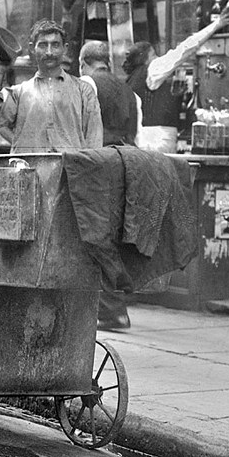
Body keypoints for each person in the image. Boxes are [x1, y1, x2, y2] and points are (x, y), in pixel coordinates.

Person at [77, 40, 139, 330]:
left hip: (96, 162)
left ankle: (112, 310)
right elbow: (134, 132)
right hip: (125, 162)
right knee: (110, 234)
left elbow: (80, 123)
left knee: (93, 235)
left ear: (83, 62)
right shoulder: (128, 90)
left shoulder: (86, 83)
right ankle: (113, 307)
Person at [0, 19, 102, 152]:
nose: (49, 52)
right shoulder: (19, 93)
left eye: (55, 45)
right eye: (43, 45)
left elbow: (94, 143)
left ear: (65, 48)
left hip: (69, 171)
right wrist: (0, 66)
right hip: (28, 171)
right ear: (32, 49)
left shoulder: (83, 91)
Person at [125, 13, 229, 153]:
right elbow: (184, 49)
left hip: (141, 138)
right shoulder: (153, 68)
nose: (158, 58)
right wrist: (215, 26)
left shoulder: (130, 79)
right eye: (154, 55)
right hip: (158, 140)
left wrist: (175, 97)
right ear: (145, 59)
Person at [78, 40, 138, 147]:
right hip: (123, 157)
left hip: (95, 155)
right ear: (108, 63)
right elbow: (137, 135)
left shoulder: (85, 84)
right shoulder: (129, 91)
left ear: (82, 65)